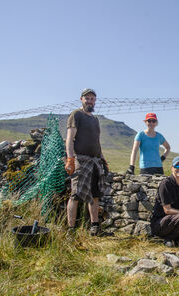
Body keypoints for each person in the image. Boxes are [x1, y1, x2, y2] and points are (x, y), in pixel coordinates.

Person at [65, 88, 109, 236]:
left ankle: (94, 227)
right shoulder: (76, 115)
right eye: (87, 98)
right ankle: (70, 231)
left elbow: (96, 142)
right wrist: (70, 159)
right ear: (81, 99)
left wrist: (103, 159)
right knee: (76, 194)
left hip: (96, 161)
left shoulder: (95, 119)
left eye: (92, 99)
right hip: (81, 159)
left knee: (95, 195)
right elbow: (70, 138)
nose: (90, 101)